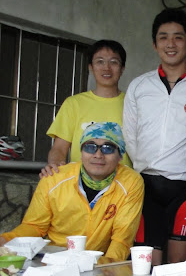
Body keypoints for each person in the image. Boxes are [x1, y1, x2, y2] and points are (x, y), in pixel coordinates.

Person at [123, 8, 186, 265]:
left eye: (178, 37)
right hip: (145, 186)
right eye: (163, 37)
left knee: (177, 269)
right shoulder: (139, 86)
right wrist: (145, 163)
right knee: (145, 267)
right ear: (155, 44)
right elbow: (130, 135)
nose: (170, 44)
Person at [0, 123, 143, 263]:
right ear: (81, 153)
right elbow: (34, 226)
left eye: (108, 148)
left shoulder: (130, 182)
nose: (98, 155)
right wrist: (7, 240)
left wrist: (107, 269)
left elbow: (121, 239)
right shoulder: (54, 178)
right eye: (90, 147)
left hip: (99, 262)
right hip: (55, 259)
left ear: (120, 155)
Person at [42, 40, 131, 178]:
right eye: (100, 62)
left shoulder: (133, 104)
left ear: (122, 68)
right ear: (91, 67)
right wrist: (55, 166)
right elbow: (59, 148)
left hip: (124, 184)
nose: (106, 68)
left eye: (113, 62)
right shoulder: (74, 104)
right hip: (81, 184)